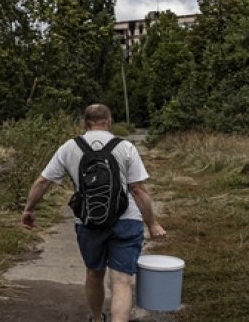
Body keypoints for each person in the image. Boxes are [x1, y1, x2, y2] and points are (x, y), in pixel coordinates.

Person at [20, 104, 168, 322]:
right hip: (126, 220)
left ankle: (97, 318)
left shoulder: (69, 147)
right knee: (121, 281)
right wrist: (153, 223)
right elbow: (137, 189)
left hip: (88, 221)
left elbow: (43, 181)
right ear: (109, 122)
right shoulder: (125, 147)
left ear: (84, 123)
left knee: (94, 273)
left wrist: (28, 209)